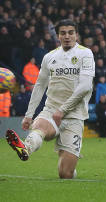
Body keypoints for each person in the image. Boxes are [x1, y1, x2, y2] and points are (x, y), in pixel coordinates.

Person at [6, 19, 95, 179]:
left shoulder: (85, 54)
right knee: (40, 127)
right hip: (51, 110)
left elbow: (86, 86)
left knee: (65, 174)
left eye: (70, 33)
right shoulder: (49, 57)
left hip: (74, 116)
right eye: (63, 33)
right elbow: (39, 86)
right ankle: (25, 148)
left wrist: (63, 110)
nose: (67, 36)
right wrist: (29, 115)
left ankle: (70, 166)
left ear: (76, 35)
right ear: (58, 36)